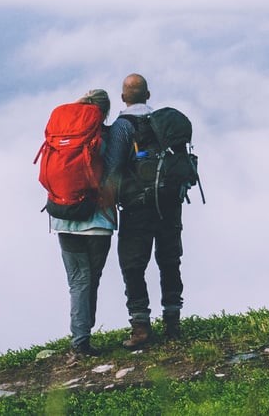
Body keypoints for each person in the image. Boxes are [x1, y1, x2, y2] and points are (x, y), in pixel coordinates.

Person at [105, 73, 184, 348]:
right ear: (148, 95)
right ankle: (173, 321)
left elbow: (113, 168)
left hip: (137, 207)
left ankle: (141, 327)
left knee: (133, 265)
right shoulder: (164, 122)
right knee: (170, 260)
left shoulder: (121, 127)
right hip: (169, 205)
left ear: (124, 97)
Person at [49, 88, 120, 358]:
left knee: (78, 280)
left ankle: (82, 335)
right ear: (104, 112)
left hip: (63, 216)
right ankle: (81, 339)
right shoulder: (105, 138)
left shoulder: (64, 133)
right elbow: (114, 171)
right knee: (91, 278)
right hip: (98, 220)